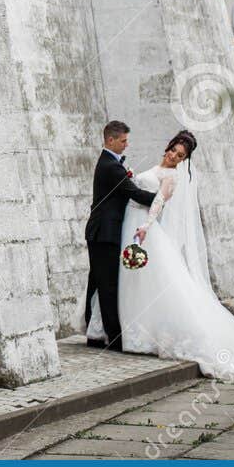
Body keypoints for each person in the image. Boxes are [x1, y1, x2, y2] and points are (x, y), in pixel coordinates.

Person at [86, 130, 234, 380]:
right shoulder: (154, 169)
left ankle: (142, 335)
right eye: (173, 151)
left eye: (180, 156)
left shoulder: (172, 177)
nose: (173, 157)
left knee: (147, 281)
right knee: (128, 281)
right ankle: (123, 330)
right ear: (168, 147)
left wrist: (145, 227)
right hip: (127, 224)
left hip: (142, 228)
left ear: (183, 159)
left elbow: (159, 203)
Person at [83, 119, 154, 352]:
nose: (126, 145)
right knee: (107, 285)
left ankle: (94, 332)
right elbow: (133, 193)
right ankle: (113, 338)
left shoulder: (110, 163)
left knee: (97, 282)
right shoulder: (111, 167)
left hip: (101, 231)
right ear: (110, 140)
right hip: (104, 233)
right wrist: (161, 199)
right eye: (123, 141)